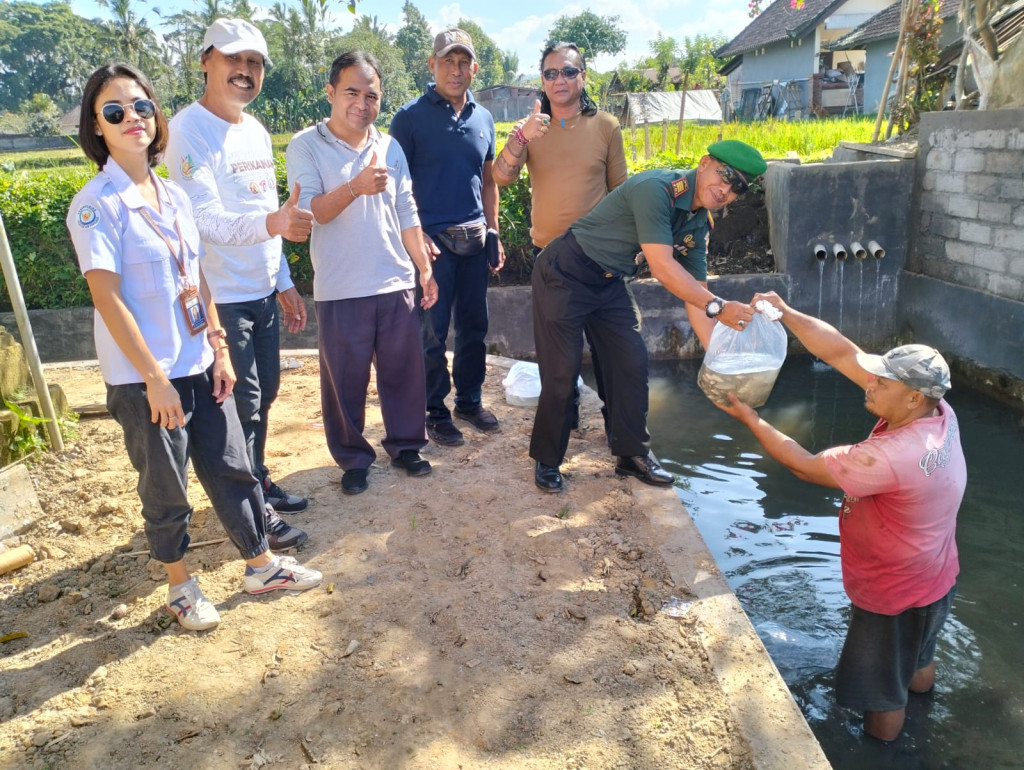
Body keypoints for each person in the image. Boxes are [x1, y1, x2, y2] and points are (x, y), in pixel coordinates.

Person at [66, 63, 322, 632]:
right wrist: (154, 377)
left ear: (155, 116)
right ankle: (180, 587)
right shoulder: (96, 205)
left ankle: (261, 565)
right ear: (97, 126)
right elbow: (108, 301)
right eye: (114, 111)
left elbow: (197, 275)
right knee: (167, 483)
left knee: (233, 465)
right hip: (146, 377)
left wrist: (218, 344)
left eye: (140, 107)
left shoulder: (172, 195)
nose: (132, 118)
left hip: (200, 360)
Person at [716, 291, 964, 742]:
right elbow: (840, 352)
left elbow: (802, 466)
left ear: (911, 397)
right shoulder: (941, 413)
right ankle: (926, 720)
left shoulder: (890, 456)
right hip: (937, 576)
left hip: (891, 591)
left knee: (881, 694)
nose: (869, 383)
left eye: (881, 383)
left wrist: (751, 420)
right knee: (917, 658)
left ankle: (882, 751)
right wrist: (787, 314)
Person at [530, 140, 766, 493]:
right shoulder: (657, 190)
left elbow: (695, 294)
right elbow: (663, 267)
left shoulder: (698, 223)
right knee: (562, 372)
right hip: (565, 272)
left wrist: (720, 366)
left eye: (738, 188)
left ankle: (630, 455)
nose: (726, 190)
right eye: (725, 176)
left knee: (631, 360)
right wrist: (719, 306)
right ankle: (548, 459)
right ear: (704, 164)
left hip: (609, 281)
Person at [165, 19, 312, 545]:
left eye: (254, 62)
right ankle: (252, 510)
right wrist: (274, 225)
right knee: (240, 405)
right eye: (233, 59)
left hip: (260, 290)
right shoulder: (186, 130)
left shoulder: (251, 128)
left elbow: (266, 207)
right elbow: (203, 220)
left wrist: (283, 278)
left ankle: (258, 478)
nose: (245, 71)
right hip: (220, 296)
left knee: (264, 394)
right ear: (205, 60)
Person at [285, 51, 439, 496]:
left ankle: (407, 444)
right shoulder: (305, 146)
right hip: (340, 286)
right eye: (351, 92)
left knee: (404, 374)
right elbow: (309, 211)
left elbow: (406, 210)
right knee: (344, 382)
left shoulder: (389, 146)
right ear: (331, 92)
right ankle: (353, 458)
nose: (362, 103)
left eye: (371, 95)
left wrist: (423, 269)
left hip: (394, 279)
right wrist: (354, 187)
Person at [491, 41, 627, 431]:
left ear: (583, 76)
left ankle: (619, 429)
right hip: (549, 259)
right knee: (557, 358)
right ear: (542, 82)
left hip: (601, 260)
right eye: (551, 73)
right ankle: (562, 427)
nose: (560, 79)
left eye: (568, 71)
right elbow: (501, 177)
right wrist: (522, 137)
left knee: (613, 353)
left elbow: (621, 192)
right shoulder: (531, 128)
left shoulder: (606, 126)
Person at [389, 28, 504, 448]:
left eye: (463, 63)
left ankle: (469, 401)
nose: (456, 71)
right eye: (447, 62)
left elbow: (488, 181)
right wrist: (417, 243)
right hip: (432, 245)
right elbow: (396, 190)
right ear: (432, 65)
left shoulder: (484, 118)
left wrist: (493, 230)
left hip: (474, 241)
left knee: (475, 326)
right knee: (433, 333)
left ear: (474, 67)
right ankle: (435, 411)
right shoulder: (409, 119)